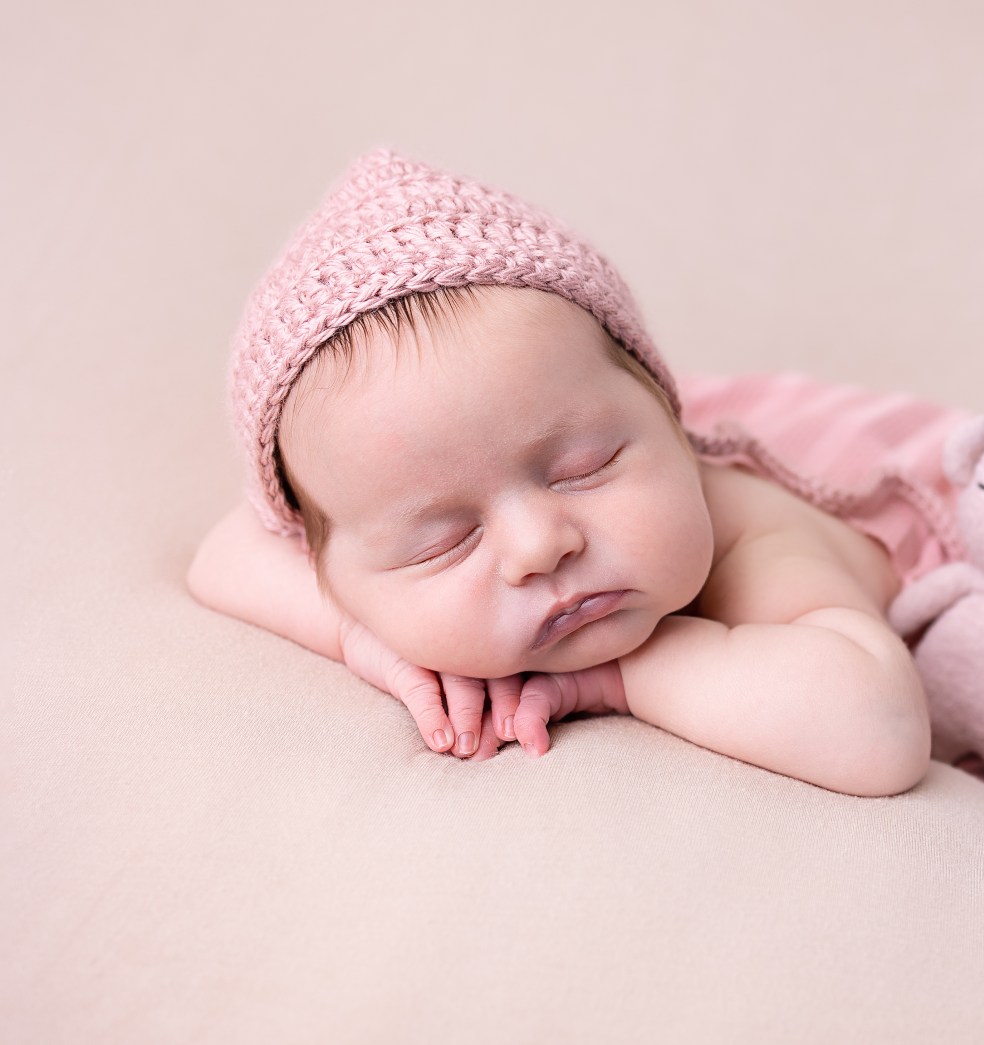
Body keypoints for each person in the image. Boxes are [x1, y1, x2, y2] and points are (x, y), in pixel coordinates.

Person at [187, 150, 938, 797]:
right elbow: (223, 554)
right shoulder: (387, 502)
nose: (539, 546)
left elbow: (879, 728)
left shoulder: (748, 526)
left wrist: (618, 677)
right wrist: (368, 639)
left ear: (668, 419)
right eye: (442, 541)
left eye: (586, 468)